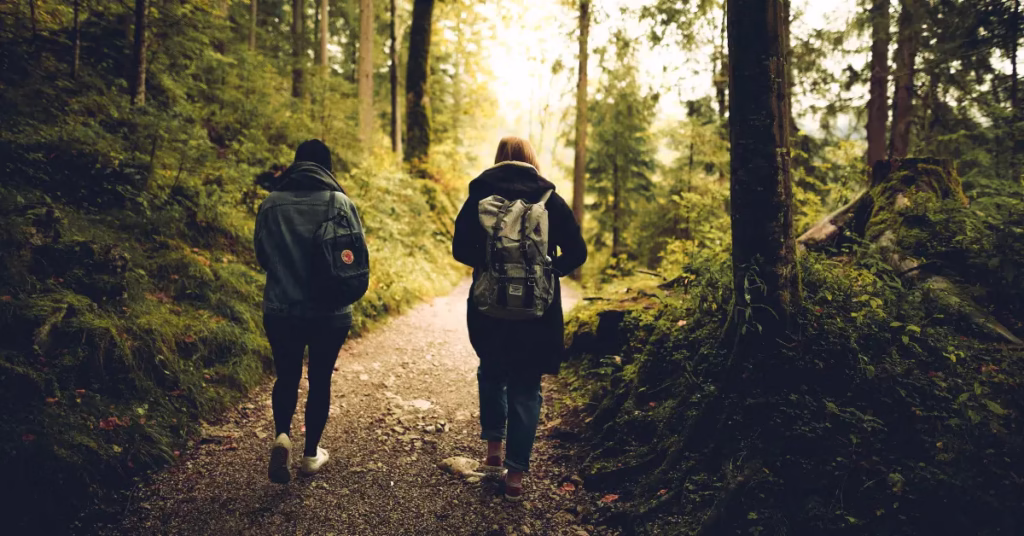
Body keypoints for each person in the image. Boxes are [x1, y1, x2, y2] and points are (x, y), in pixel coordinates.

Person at [452, 136, 588, 501]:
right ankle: (515, 477)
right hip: (536, 313)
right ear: (532, 160)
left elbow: (459, 249)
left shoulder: (479, 198)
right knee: (527, 386)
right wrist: (547, 272)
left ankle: (493, 451)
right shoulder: (549, 199)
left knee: (491, 370)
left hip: (489, 308)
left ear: (498, 160)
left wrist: (489, 265)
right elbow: (578, 252)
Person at [254, 139, 361, 484]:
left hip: (281, 309)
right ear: (327, 168)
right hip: (329, 312)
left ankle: (283, 434)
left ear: (296, 165)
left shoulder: (271, 204)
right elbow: (356, 258)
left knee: (286, 375)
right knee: (320, 380)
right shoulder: (340, 202)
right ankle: (310, 454)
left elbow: (263, 257)